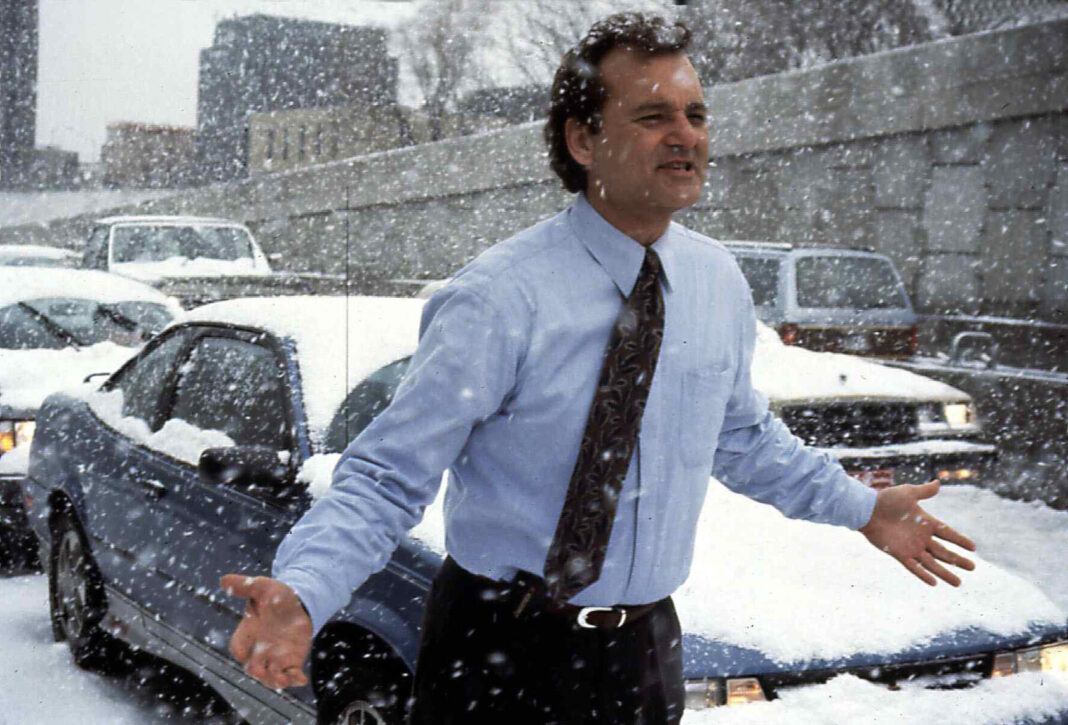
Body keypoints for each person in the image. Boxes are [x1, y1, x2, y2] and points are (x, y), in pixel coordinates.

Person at [221, 12, 976, 724]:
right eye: (654, 118)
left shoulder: (716, 285)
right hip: (496, 652)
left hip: (643, 653)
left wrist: (863, 507)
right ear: (584, 141)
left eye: (696, 115)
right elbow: (389, 473)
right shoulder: (499, 296)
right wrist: (306, 589)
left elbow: (743, 438)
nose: (686, 136)